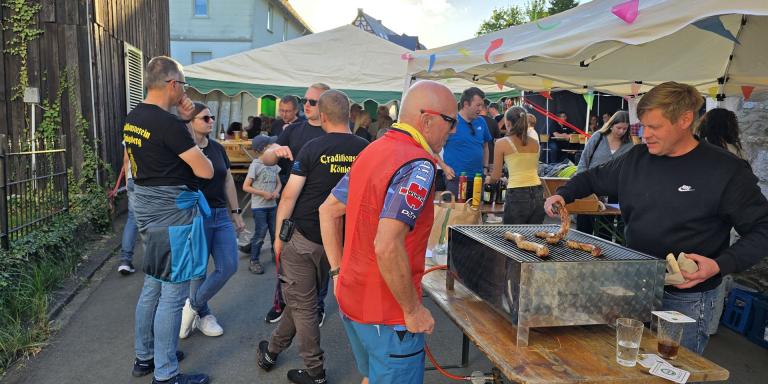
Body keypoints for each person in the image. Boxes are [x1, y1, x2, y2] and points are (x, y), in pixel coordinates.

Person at [544, 81, 768, 355]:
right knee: (625, 359)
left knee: (674, 368)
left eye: (654, 127)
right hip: (633, 283)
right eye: (642, 126)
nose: (644, 134)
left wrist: (720, 265)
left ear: (685, 120)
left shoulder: (726, 170)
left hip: (688, 297)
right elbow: (592, 177)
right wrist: (563, 195)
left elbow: (763, 228)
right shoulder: (635, 158)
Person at [318, 80, 456, 384]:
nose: (454, 130)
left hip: (353, 300)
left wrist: (338, 272)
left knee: (371, 376)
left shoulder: (372, 149)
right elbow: (387, 244)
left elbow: (327, 211)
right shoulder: (419, 164)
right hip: (389, 315)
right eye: (451, 121)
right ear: (427, 119)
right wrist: (413, 309)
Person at [256, 90, 369, 384]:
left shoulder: (313, 147)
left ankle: (315, 372)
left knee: (304, 305)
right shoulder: (365, 149)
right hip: (340, 242)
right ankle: (271, 351)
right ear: (349, 115)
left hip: (305, 236)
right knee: (301, 299)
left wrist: (279, 238)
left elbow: (289, 196)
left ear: (324, 115)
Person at [125, 56, 213, 384]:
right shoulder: (169, 125)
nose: (185, 91)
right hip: (172, 214)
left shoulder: (133, 117)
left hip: (147, 211)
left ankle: (146, 357)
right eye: (184, 84)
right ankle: (166, 374)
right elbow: (205, 169)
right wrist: (185, 124)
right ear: (173, 84)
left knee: (153, 284)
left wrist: (182, 120)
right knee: (173, 294)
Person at [260, 83, 330, 324]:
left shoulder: (334, 133)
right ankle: (281, 303)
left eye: (313, 101)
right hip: (291, 208)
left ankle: (318, 305)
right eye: (306, 100)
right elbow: (266, 159)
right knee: (284, 257)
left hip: (323, 211)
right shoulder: (294, 130)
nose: (307, 105)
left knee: (322, 263)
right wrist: (275, 150)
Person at [179, 102, 246, 339]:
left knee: (229, 265)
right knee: (198, 271)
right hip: (195, 215)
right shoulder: (184, 150)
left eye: (211, 117)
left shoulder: (217, 148)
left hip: (220, 214)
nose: (211, 121)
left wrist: (236, 212)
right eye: (205, 118)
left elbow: (227, 180)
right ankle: (204, 315)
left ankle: (192, 306)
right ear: (190, 122)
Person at [575, 110, 634, 236]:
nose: (621, 131)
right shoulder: (598, 137)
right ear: (611, 125)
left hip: (613, 195)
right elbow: (583, 161)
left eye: (625, 129)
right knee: (583, 231)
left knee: (605, 234)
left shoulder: (630, 145)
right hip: (589, 191)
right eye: (618, 128)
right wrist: (580, 185)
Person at [487, 106, 545, 224]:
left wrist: (488, 180)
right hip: (538, 192)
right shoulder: (535, 143)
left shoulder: (501, 143)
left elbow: (496, 175)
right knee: (533, 238)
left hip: (517, 193)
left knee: (512, 237)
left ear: (507, 123)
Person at [437, 87, 493, 200]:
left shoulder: (481, 121)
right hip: (456, 179)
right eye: (478, 105)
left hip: (477, 178)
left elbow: (485, 146)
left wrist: (485, 167)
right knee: (456, 215)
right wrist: (444, 167)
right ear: (466, 104)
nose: (481, 108)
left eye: (482, 105)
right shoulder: (451, 121)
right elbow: (432, 149)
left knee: (476, 214)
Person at [243, 135, 282, 274]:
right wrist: (263, 193)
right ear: (264, 149)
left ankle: (275, 255)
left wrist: (277, 191)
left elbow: (279, 183)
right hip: (259, 207)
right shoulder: (255, 165)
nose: (275, 146)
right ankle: (254, 260)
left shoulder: (274, 164)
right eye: (271, 145)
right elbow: (246, 187)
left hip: (272, 206)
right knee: (260, 233)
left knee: (274, 231)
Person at [118, 146, 138, 275]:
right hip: (152, 179)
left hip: (132, 178)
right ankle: (155, 261)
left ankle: (125, 260)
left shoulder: (131, 127)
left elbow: (126, 159)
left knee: (132, 219)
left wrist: (127, 181)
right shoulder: (159, 126)